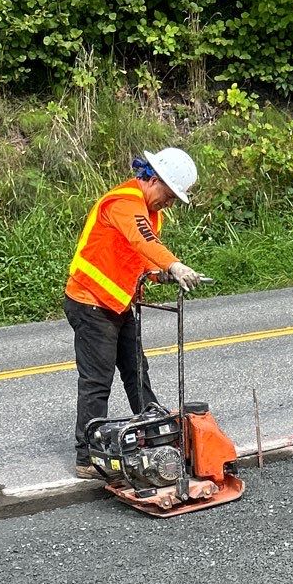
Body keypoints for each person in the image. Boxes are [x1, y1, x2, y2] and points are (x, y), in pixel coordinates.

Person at [64, 147, 207, 476]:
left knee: (137, 373)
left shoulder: (149, 210)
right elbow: (143, 241)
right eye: (169, 195)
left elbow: (137, 257)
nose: (169, 203)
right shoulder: (125, 202)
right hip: (90, 302)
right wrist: (173, 263)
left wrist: (162, 272)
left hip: (119, 303)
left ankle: (154, 438)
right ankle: (87, 457)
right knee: (97, 382)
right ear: (154, 180)